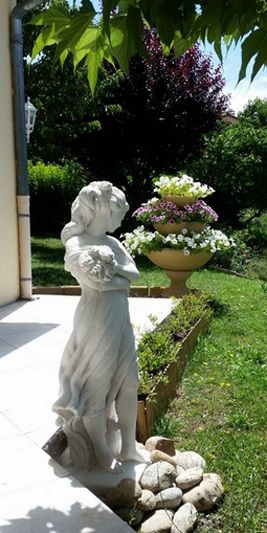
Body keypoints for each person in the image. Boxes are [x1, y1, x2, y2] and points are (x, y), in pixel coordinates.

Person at [53, 181, 148, 471]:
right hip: (96, 322)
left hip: (120, 320)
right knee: (97, 387)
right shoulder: (76, 245)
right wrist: (115, 278)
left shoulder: (113, 244)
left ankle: (129, 447)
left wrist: (113, 267)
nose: (121, 218)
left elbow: (132, 275)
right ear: (100, 210)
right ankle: (99, 449)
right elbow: (98, 284)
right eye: (117, 212)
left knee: (129, 381)